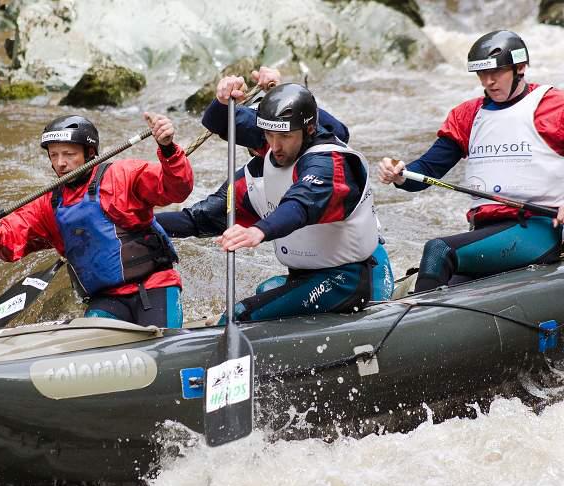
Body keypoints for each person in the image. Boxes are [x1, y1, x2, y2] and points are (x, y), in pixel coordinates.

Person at [158, 72, 393, 323]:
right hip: (309, 275)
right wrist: (140, 223)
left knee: (238, 315)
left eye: (285, 137)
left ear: (309, 130)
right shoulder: (256, 174)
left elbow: (300, 206)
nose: (275, 146)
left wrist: (258, 231)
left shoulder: (329, 164)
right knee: (266, 289)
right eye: (268, 136)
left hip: (352, 278)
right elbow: (198, 220)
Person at [378, 30, 564, 292]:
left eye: (496, 72)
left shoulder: (554, 106)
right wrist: (400, 174)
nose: (488, 81)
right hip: (486, 234)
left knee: (438, 249)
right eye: (481, 74)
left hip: (536, 230)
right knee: (438, 283)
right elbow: (427, 171)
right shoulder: (468, 115)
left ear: (520, 68)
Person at [0, 113, 193, 328]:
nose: (60, 163)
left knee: (162, 343)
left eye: (68, 154)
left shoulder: (122, 175)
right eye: (54, 155)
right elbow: (11, 238)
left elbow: (176, 189)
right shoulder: (48, 203)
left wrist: (168, 149)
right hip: (105, 299)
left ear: (90, 153)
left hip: (154, 285)